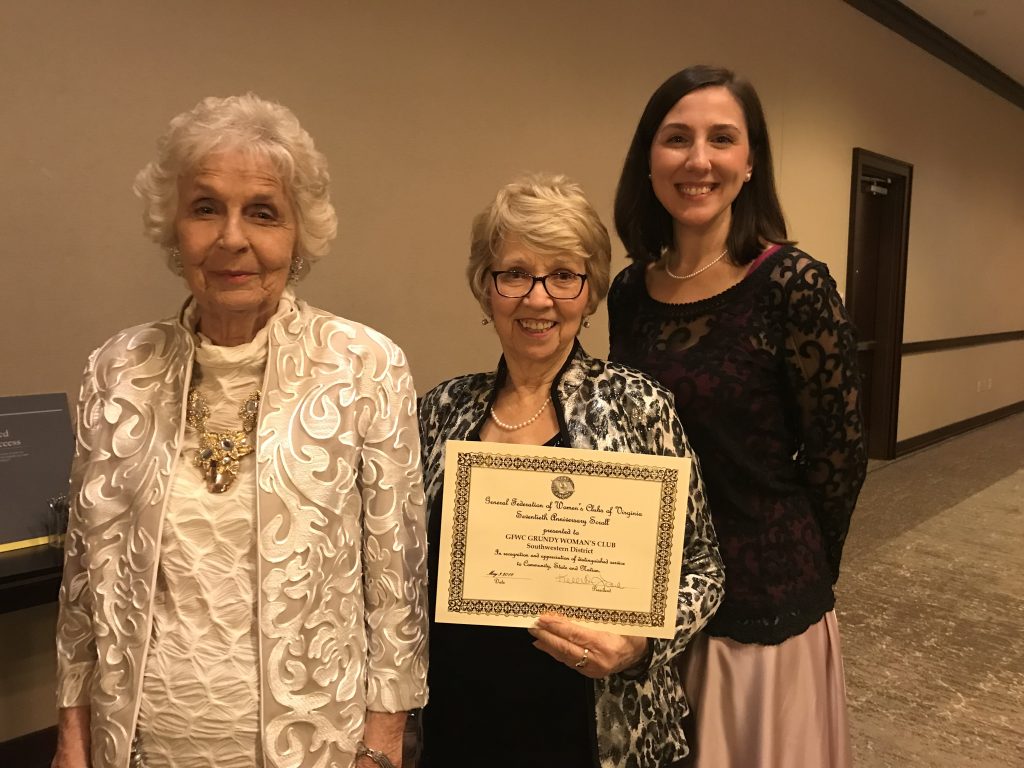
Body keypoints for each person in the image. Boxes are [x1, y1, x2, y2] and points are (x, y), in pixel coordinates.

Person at [53, 94, 428, 768]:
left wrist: (383, 744)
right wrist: (73, 741)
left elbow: (395, 587)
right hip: (140, 746)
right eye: (205, 208)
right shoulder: (117, 370)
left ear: (298, 234)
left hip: (317, 748)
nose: (232, 239)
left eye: (263, 212)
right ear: (173, 227)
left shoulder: (365, 366)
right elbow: (85, 583)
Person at [608, 65, 868, 767]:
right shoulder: (629, 290)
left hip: (761, 609)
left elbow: (839, 458)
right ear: (650, 159)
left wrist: (803, 564)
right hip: (656, 597)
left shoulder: (793, 284)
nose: (699, 160)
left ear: (750, 163)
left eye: (722, 139)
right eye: (676, 139)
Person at [417, 174, 724, 768]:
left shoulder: (640, 407)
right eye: (515, 273)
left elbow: (704, 568)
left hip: (593, 730)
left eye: (563, 275)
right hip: (459, 721)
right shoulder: (440, 409)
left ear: (590, 293)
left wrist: (643, 643)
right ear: (487, 289)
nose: (538, 298)